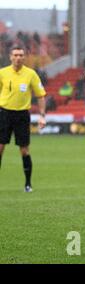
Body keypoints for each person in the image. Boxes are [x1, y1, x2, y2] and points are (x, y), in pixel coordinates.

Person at [0, 46, 47, 192]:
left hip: (22, 115)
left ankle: (28, 184)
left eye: (21, 55)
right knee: (0, 148)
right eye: (15, 55)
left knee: (24, 150)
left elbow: (40, 95)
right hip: (4, 113)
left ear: (24, 57)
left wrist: (42, 115)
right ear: (10, 57)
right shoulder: (2, 73)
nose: (18, 57)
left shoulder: (30, 74)